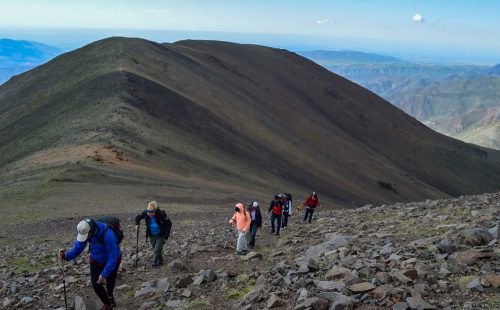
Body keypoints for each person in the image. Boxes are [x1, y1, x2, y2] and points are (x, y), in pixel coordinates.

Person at [58, 219, 121, 310]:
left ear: (92, 231)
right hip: (96, 259)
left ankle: (110, 295)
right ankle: (108, 305)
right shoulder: (86, 232)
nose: (85, 238)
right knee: (96, 284)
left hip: (113, 259)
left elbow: (113, 256)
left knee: (110, 280)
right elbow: (78, 247)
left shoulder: (108, 235)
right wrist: (66, 256)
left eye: (86, 236)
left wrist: (104, 274)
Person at [135, 201, 172, 268]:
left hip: (161, 235)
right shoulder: (146, 213)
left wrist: (166, 235)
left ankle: (154, 264)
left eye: (151, 213)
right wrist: (137, 224)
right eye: (148, 212)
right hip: (152, 235)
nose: (149, 214)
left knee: (157, 249)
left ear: (155, 211)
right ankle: (160, 261)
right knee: (155, 249)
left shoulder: (161, 214)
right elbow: (138, 217)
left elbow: (169, 223)